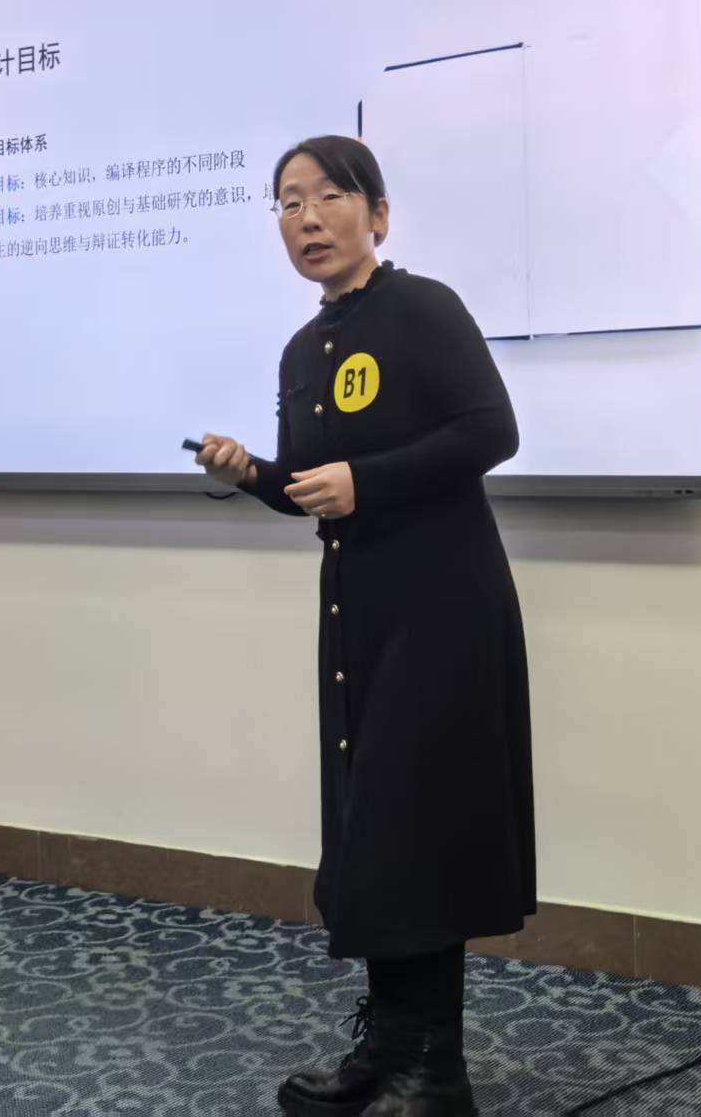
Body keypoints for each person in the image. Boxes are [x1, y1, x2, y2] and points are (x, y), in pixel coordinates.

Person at [196, 136, 535, 1117]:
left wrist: (366, 481)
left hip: (441, 607)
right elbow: (314, 488)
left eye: (328, 196)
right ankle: (390, 1047)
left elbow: (492, 430)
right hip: (358, 615)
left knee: (419, 823)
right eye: (286, 202)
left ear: (377, 215)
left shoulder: (422, 308)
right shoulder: (302, 351)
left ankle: (437, 1069)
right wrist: (250, 473)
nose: (305, 217)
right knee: (376, 832)